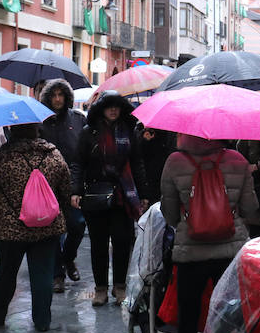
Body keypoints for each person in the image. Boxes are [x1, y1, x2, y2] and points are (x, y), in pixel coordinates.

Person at [159, 134, 258, 333]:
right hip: (231, 251)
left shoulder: (175, 162)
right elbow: (251, 207)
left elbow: (168, 214)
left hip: (190, 253)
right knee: (233, 315)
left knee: (188, 317)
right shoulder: (238, 161)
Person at [0, 123, 71, 331]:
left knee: (5, 273)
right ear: (37, 130)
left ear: (13, 131)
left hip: (9, 228)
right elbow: (66, 189)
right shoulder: (53, 154)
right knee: (42, 274)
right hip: (46, 225)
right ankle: (42, 320)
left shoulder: (3, 156)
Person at [70, 91, 148, 307]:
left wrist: (143, 194)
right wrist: (75, 190)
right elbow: (78, 163)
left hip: (123, 195)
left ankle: (120, 287)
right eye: (109, 106)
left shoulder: (130, 131)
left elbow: (137, 164)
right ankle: (101, 289)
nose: (113, 110)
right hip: (96, 195)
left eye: (117, 106)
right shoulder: (89, 133)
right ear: (101, 109)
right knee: (99, 244)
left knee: (123, 241)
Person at [38, 79, 88, 293]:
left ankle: (69, 258)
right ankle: (57, 274)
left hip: (73, 183)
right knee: (52, 231)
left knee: (77, 225)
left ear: (67, 97)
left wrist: (78, 186)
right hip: (47, 185)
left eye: (61, 95)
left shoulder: (77, 119)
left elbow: (82, 152)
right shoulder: (41, 120)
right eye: (53, 95)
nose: (57, 99)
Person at [136, 127, 177, 205]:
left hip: (168, 176)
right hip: (152, 179)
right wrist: (145, 140)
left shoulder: (171, 132)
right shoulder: (146, 131)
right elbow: (139, 156)